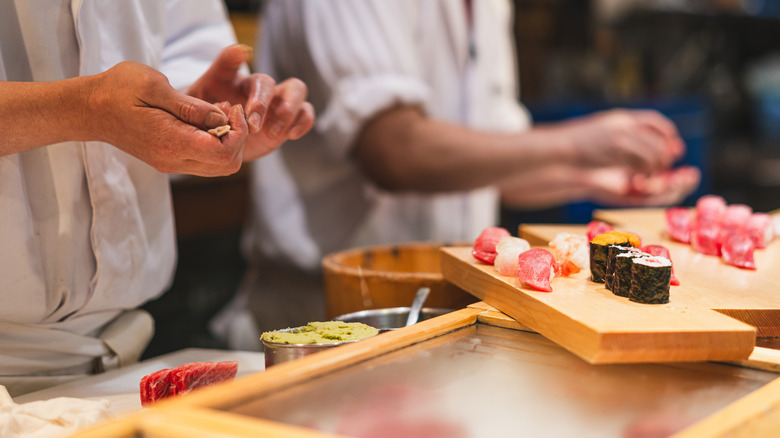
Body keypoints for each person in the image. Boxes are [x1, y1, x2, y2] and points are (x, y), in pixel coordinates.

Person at [211, 0, 699, 348]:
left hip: (452, 316)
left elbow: (497, 161)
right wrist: (574, 143)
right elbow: (394, 149)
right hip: (321, 317)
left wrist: (594, 176)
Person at [0, 0, 313, 397]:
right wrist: (84, 107)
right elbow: (100, 99)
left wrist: (194, 105)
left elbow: (180, 44)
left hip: (123, 355)